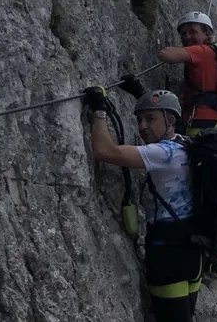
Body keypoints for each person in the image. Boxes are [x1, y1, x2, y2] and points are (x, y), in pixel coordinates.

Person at [122, 10, 217, 273]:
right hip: (214, 126)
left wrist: (182, 48)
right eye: (184, 32)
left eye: (194, 30)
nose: (188, 36)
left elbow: (165, 55)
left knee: (212, 186)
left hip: (206, 128)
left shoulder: (203, 52)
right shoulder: (208, 56)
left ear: (207, 34)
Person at [82, 87, 204, 322]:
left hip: (168, 256)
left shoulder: (165, 153)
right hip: (194, 255)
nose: (142, 126)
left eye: (150, 119)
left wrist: (98, 111)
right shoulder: (187, 145)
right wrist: (140, 92)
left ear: (170, 120)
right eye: (139, 119)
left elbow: (104, 151)